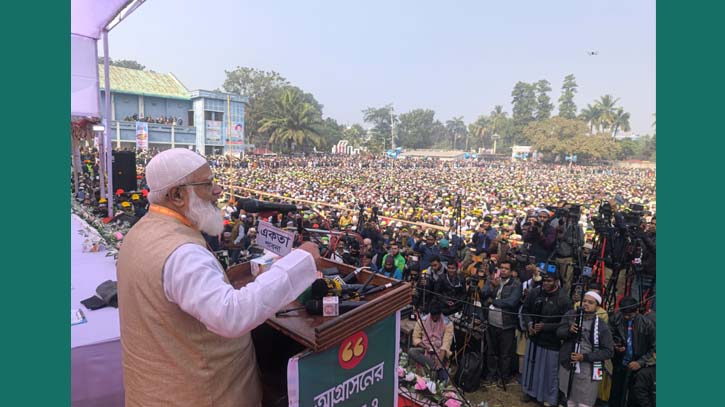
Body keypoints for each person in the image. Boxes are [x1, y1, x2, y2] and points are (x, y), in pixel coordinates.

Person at [116, 148, 320, 407]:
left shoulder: (142, 232)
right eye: (207, 184)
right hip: (200, 395)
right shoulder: (182, 253)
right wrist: (300, 261)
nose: (218, 191)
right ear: (177, 195)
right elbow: (231, 316)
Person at [521, 271, 572, 406]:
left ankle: (548, 398)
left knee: (549, 374)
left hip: (552, 343)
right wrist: (529, 323)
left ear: (556, 281)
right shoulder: (535, 293)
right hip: (534, 339)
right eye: (544, 281)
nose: (546, 283)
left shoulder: (564, 299)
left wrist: (546, 327)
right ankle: (530, 392)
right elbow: (525, 310)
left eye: (549, 281)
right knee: (531, 368)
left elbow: (565, 323)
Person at [557, 291, 614, 407]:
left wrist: (584, 357)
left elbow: (608, 351)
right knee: (569, 400)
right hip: (569, 365)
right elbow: (559, 332)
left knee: (584, 402)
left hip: (588, 369)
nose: (586, 304)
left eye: (590, 302)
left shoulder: (602, 326)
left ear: (597, 307)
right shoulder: (572, 315)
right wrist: (569, 330)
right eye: (585, 301)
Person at [609, 296, 656, 407]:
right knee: (616, 392)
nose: (626, 317)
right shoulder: (616, 319)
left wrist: (640, 362)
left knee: (635, 396)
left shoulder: (647, 324)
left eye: (629, 315)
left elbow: (654, 347)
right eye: (624, 314)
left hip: (638, 364)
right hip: (620, 361)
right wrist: (616, 345)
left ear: (637, 311)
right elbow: (609, 335)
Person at [481, 259, 522, 385]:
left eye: (506, 268)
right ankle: (491, 375)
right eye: (501, 267)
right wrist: (492, 286)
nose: (503, 270)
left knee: (505, 354)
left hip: (506, 325)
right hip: (491, 322)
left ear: (511, 271)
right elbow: (483, 294)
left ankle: (503, 377)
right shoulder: (493, 279)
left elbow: (512, 302)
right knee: (491, 352)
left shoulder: (516, 284)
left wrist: (493, 301)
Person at [408, 301, 454, 381]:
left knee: (442, 361)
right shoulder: (423, 320)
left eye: (437, 316)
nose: (434, 318)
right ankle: (434, 367)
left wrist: (439, 361)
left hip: (440, 352)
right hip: (426, 349)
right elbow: (415, 338)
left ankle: (438, 369)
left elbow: (446, 345)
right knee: (412, 351)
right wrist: (425, 346)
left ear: (440, 314)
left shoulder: (448, 324)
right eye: (433, 316)